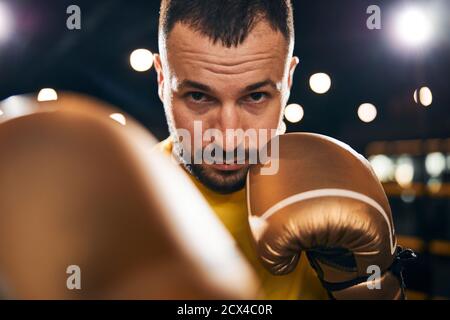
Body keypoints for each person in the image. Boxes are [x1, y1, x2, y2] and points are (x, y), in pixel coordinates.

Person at [153, 0, 329, 299]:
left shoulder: (329, 193)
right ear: (161, 79)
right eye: (198, 96)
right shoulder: (123, 202)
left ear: (288, 80)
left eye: (256, 96)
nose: (229, 139)